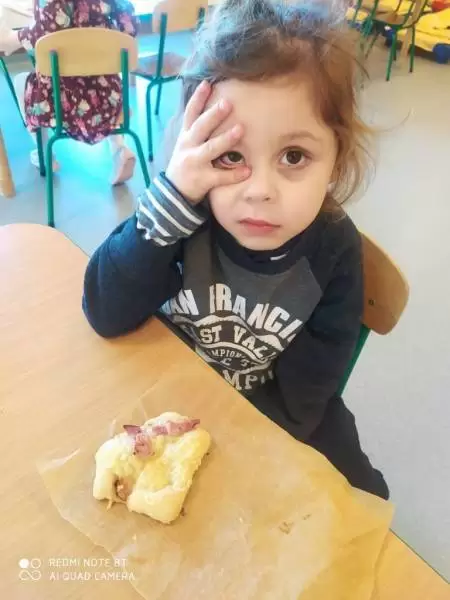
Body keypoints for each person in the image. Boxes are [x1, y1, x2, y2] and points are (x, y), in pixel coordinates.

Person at [82, 0, 389, 499]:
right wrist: (171, 198)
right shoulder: (181, 216)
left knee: (362, 499)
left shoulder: (334, 249)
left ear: (336, 160)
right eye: (229, 156)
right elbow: (105, 311)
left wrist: (235, 447)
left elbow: (308, 389)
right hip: (167, 394)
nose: (259, 190)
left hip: (274, 408)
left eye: (294, 156)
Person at [0, 0, 138, 185]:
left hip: (62, 104)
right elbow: (129, 28)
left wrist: (12, 39)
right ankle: (119, 148)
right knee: (101, 77)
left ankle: (45, 155)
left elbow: (44, 32)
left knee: (21, 82)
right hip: (109, 97)